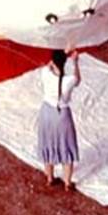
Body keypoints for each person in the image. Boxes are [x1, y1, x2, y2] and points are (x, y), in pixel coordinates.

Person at [37, 48, 81, 190]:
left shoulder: (45, 73)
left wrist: (61, 54)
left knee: (48, 143)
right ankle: (67, 183)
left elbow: (49, 65)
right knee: (66, 146)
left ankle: (50, 178)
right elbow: (78, 79)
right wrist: (75, 62)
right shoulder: (69, 80)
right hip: (62, 114)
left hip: (46, 113)